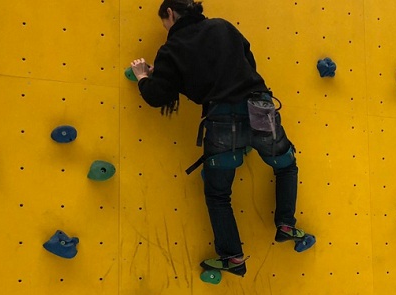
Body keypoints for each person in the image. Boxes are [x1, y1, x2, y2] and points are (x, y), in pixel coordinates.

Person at [129, 0, 314, 277]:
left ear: (170, 13)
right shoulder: (222, 27)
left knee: (218, 194)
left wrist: (143, 76)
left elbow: (158, 96)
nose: (166, 28)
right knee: (286, 164)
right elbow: (248, 61)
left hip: (222, 119)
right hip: (259, 108)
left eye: (164, 22)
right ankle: (286, 224)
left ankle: (233, 257)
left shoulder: (172, 49)